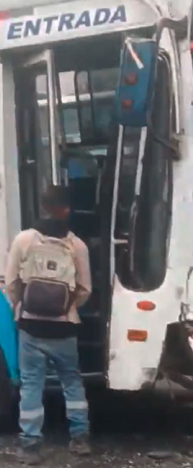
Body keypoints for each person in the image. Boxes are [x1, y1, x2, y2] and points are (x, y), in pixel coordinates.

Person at [5, 185, 92, 463]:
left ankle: (30, 444)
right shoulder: (77, 246)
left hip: (31, 327)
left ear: (42, 207)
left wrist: (21, 307)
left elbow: (11, 283)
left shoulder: (23, 240)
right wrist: (67, 309)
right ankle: (80, 438)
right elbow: (85, 288)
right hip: (64, 328)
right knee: (72, 383)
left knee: (31, 384)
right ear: (67, 210)